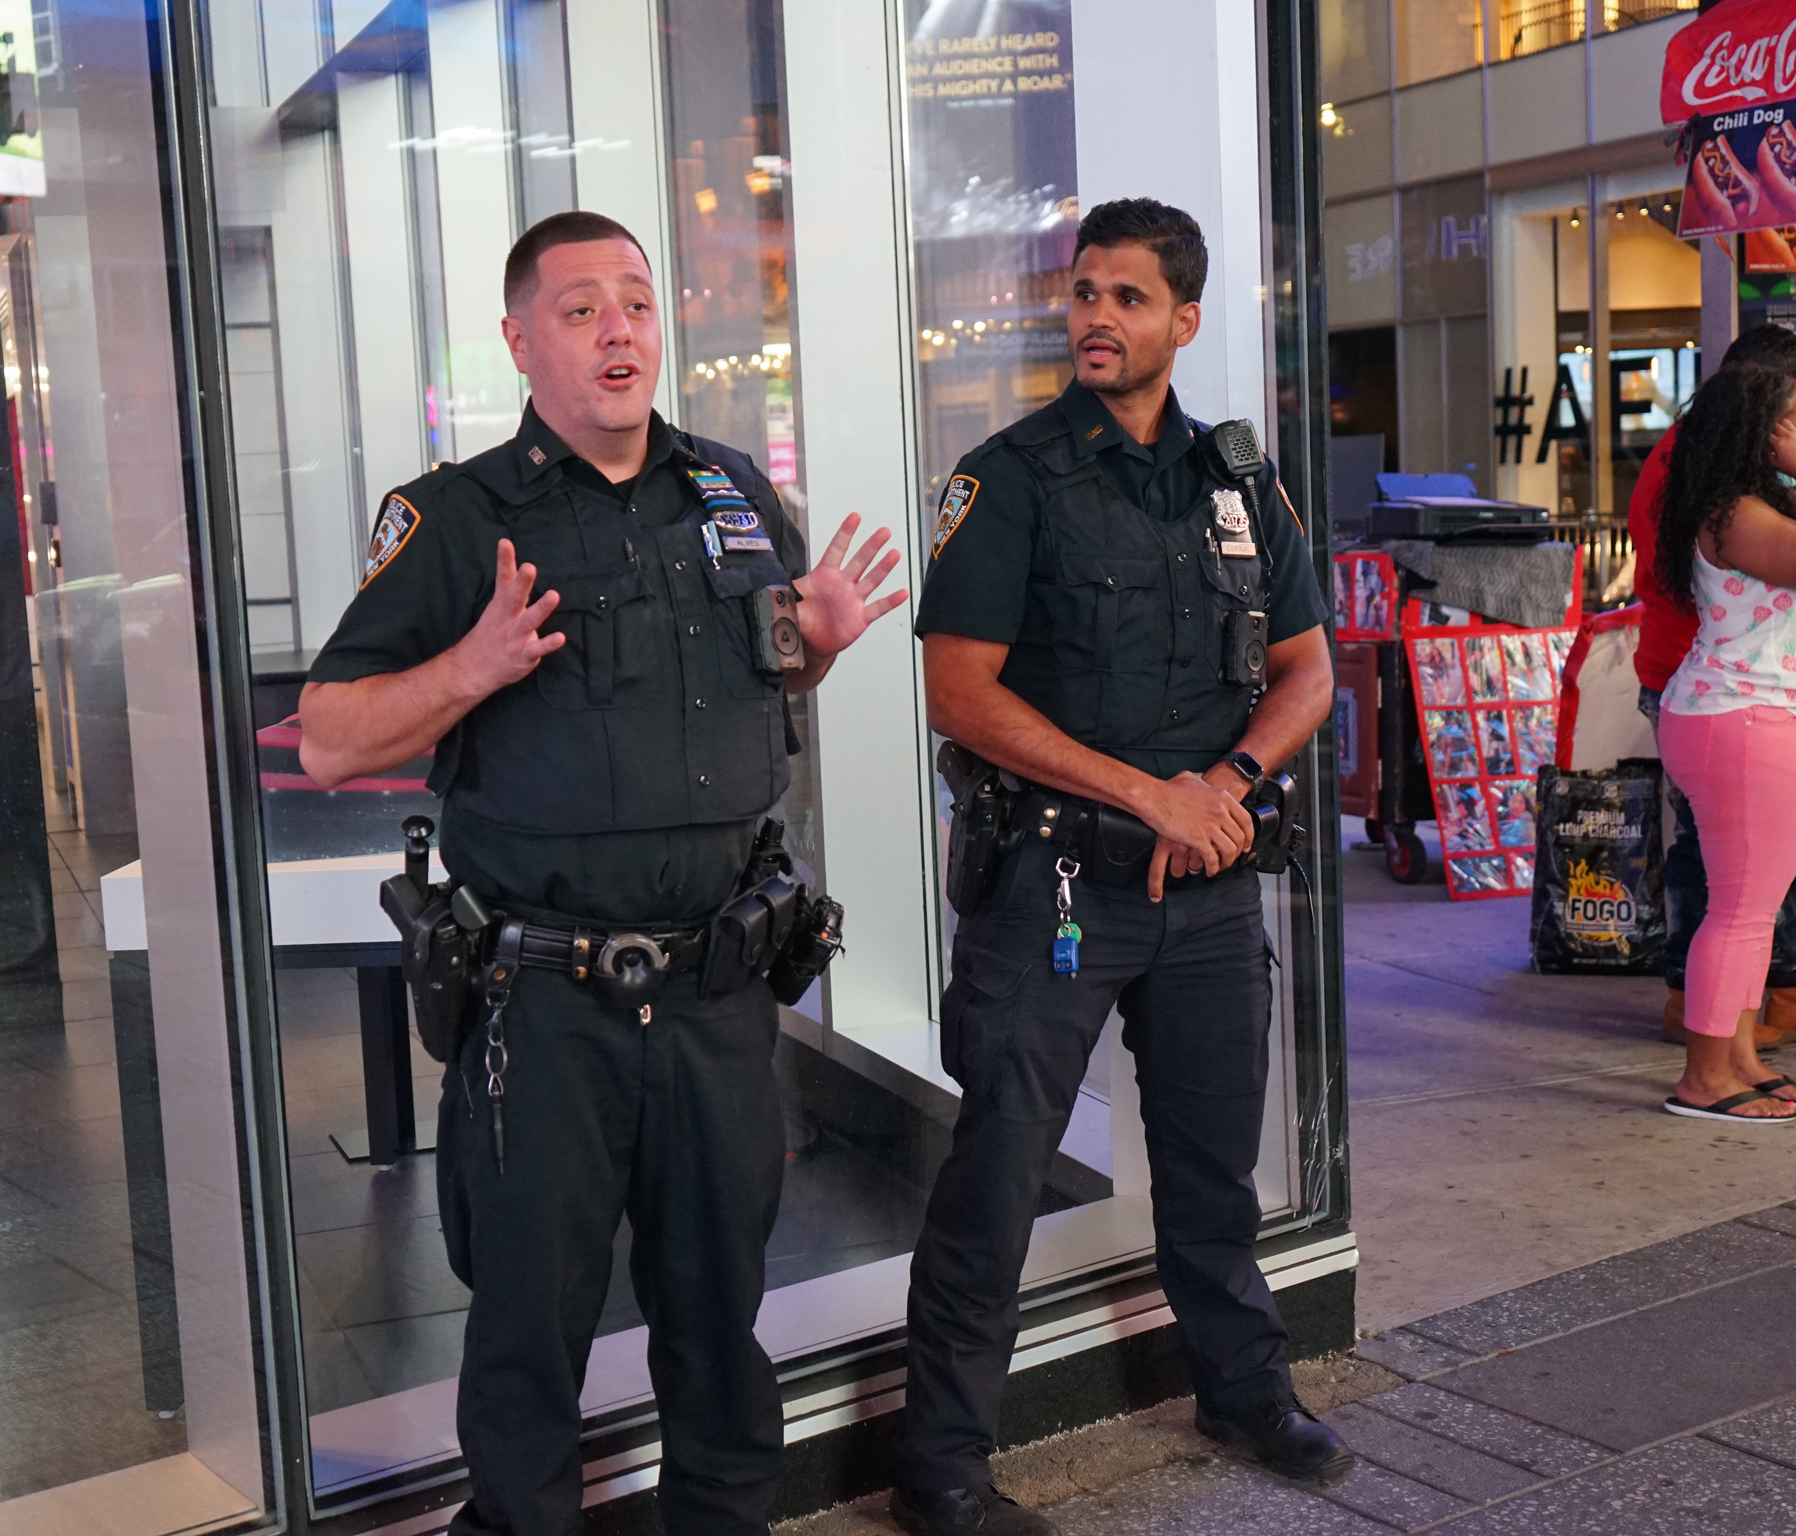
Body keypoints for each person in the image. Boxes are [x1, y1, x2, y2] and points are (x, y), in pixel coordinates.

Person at [295, 210, 906, 1535]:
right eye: (579, 308)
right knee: (528, 1339)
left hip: (718, 998)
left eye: (634, 300)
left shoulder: (734, 490)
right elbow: (333, 738)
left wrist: (826, 644)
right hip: (548, 1013)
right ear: (519, 342)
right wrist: (472, 666)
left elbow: (773, 668)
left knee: (718, 1324)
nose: (618, 327)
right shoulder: (460, 518)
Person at [896, 198, 1345, 1536]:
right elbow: (959, 694)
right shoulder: (1013, 478)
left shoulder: (1240, 481)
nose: (1097, 314)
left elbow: (1308, 670)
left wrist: (1226, 785)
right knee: (997, 1178)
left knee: (1212, 1167)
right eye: (1085, 292)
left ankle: (1242, 1391)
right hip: (1056, 890)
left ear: (1183, 321)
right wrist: (1143, 790)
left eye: (1129, 297)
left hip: (1205, 892)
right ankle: (942, 1468)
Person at [1630, 323, 1796, 1049]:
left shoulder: (1725, 483)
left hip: (1735, 698)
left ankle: (1732, 1048)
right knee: (1737, 901)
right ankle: (1715, 1060)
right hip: (1735, 704)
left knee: (1744, 898)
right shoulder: (1731, 505)